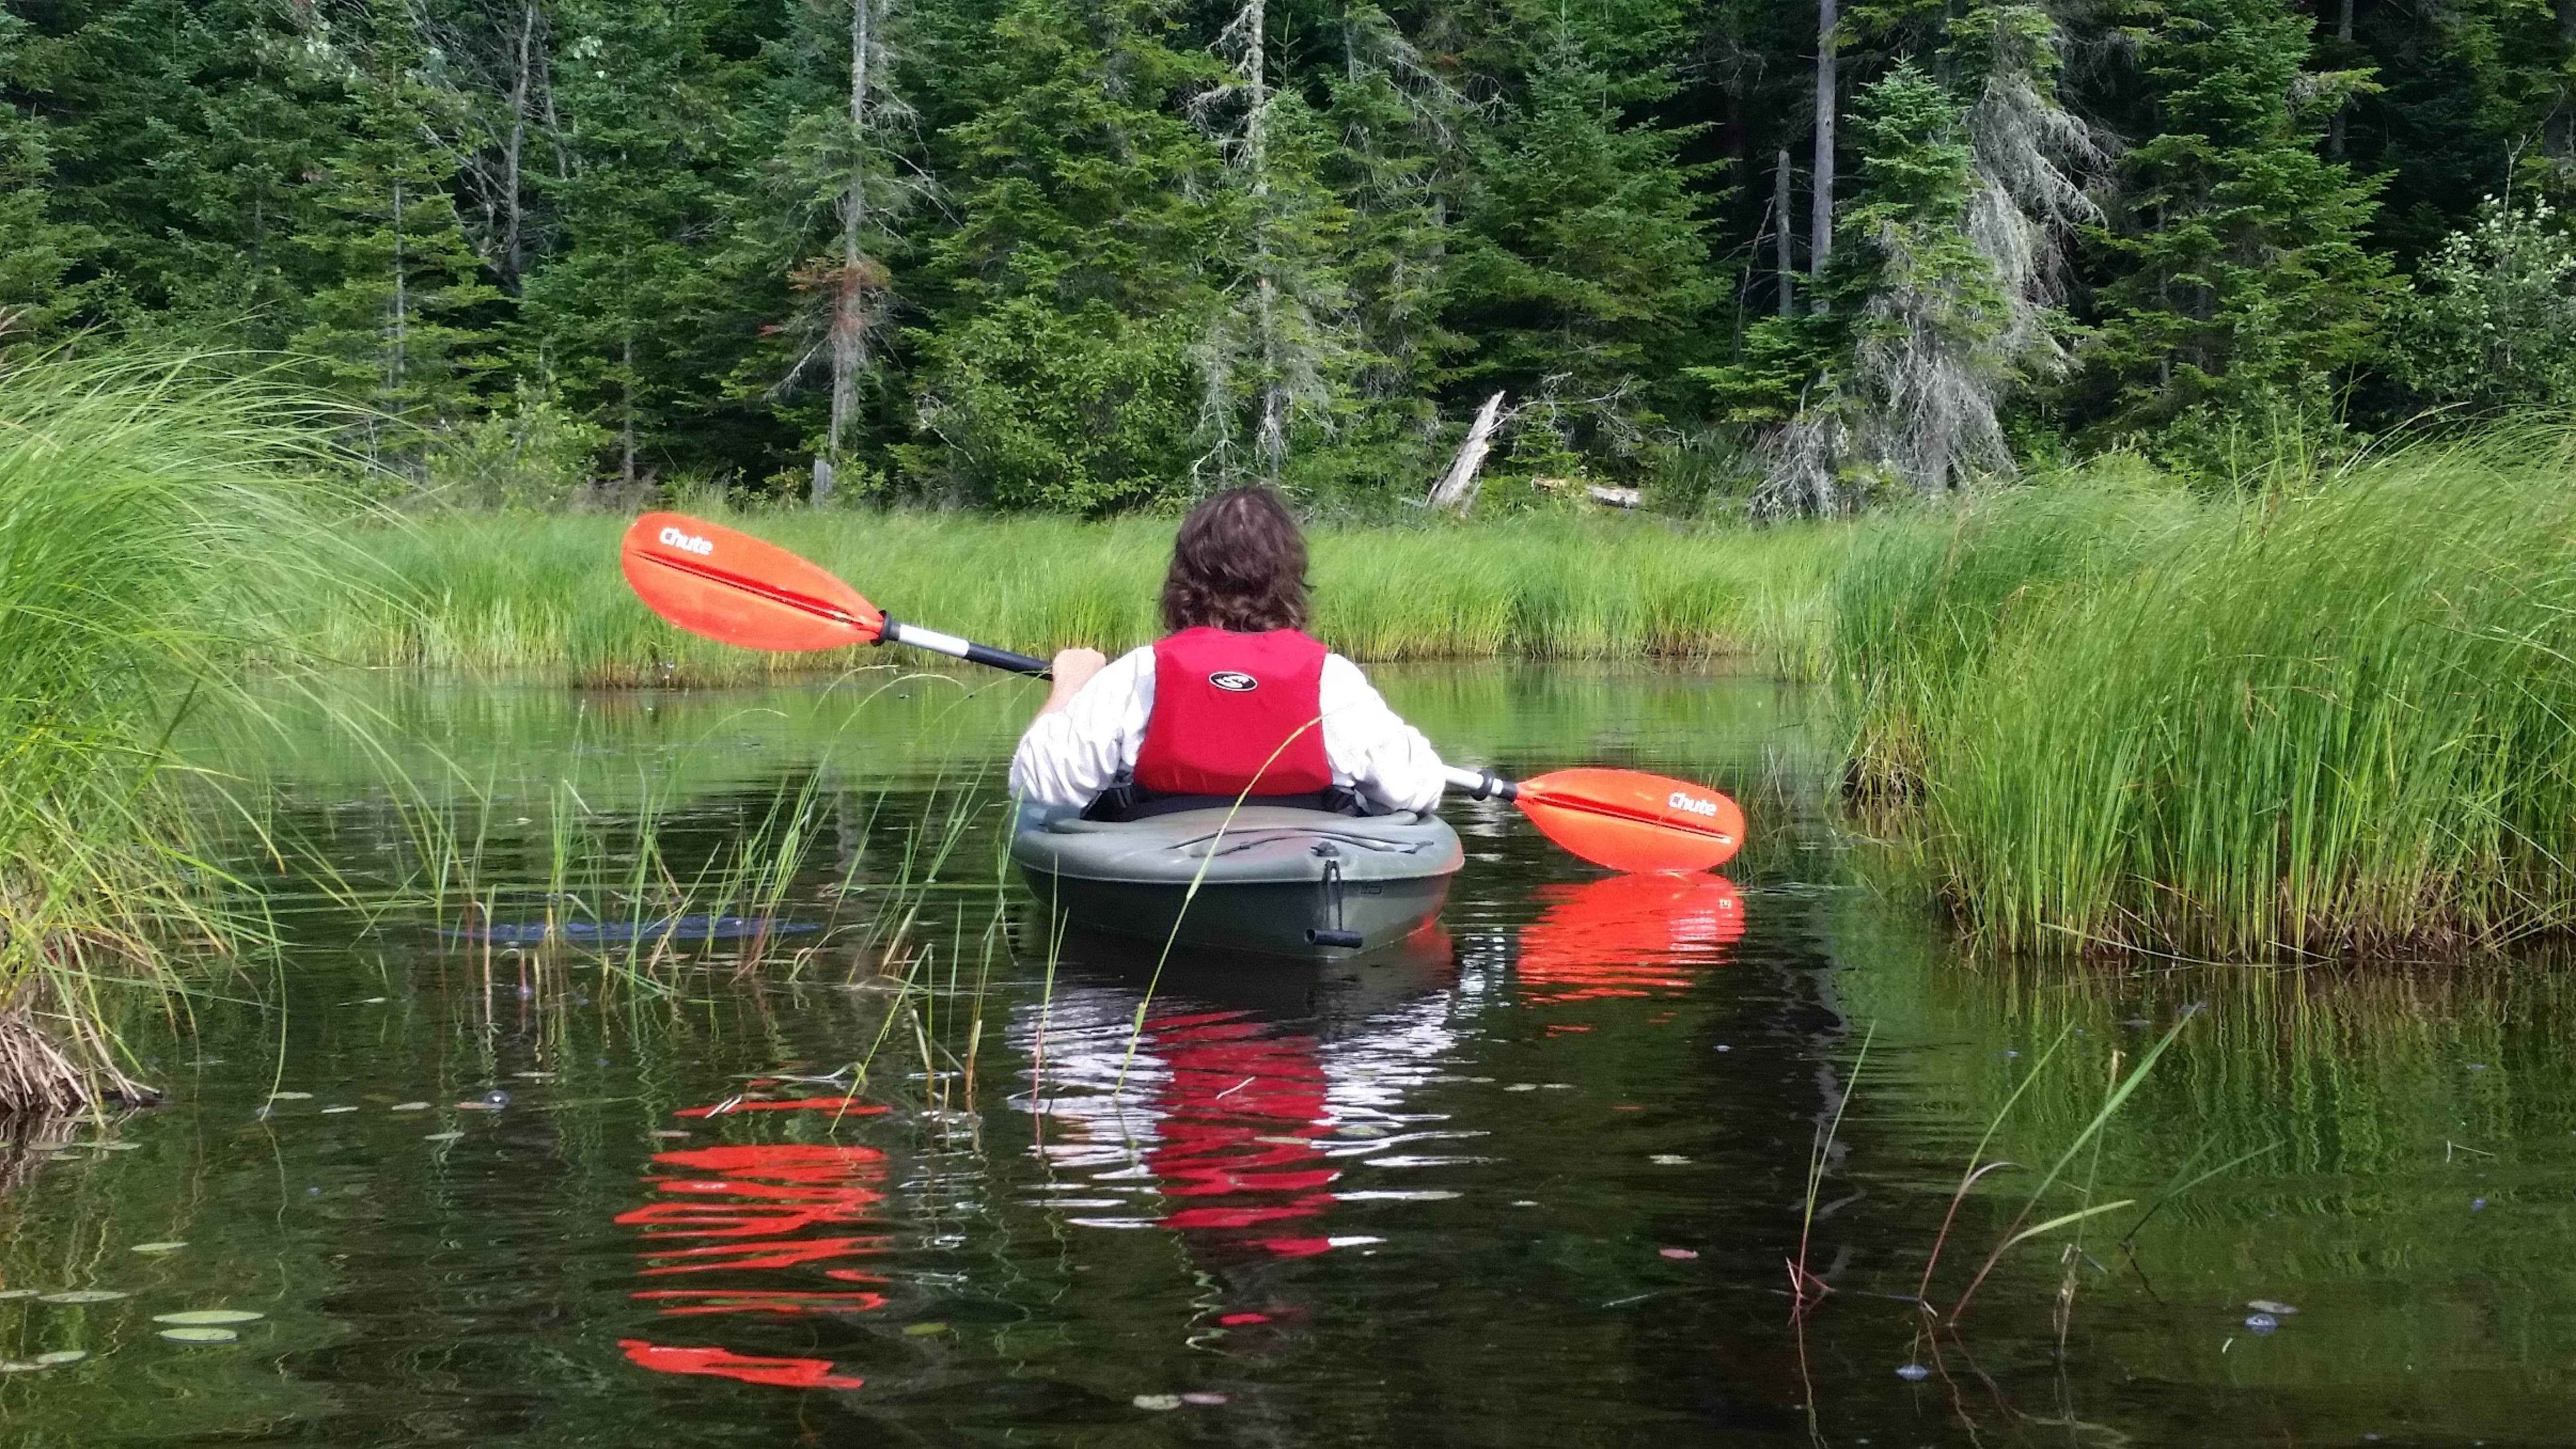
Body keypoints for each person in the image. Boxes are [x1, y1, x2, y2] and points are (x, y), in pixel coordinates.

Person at [1010, 487, 1446, 819]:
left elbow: (1036, 787)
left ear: (1183, 577)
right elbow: (1420, 787)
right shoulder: (1330, 679)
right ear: (1290, 578)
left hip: (1159, 865)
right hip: (1302, 866)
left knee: (1042, 818)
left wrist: (1068, 687)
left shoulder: (1141, 673)